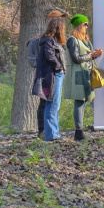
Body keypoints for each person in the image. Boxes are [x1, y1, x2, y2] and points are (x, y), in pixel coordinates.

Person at [62, 15, 103, 141]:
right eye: (85, 24)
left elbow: (86, 56)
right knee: (80, 101)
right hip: (78, 74)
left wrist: (95, 55)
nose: (86, 27)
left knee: (85, 100)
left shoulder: (85, 40)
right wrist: (91, 55)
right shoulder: (72, 40)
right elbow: (76, 58)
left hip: (87, 73)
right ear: (79, 25)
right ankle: (78, 131)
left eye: (87, 24)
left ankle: (80, 129)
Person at [29, 8, 68, 138]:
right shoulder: (47, 39)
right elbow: (49, 56)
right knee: (49, 104)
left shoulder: (54, 40)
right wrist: (59, 67)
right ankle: (48, 133)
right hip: (51, 75)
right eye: (59, 19)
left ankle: (52, 132)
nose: (62, 22)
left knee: (53, 104)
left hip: (55, 74)